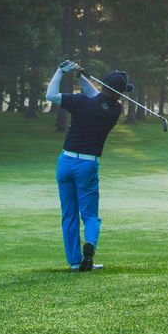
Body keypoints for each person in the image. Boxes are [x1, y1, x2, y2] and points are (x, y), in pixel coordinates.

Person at [45, 59, 131, 271]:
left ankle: (75, 262)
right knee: (90, 215)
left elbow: (51, 95)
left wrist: (60, 71)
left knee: (69, 214)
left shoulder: (80, 102)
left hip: (65, 162)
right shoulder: (114, 110)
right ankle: (90, 246)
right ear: (117, 94)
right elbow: (99, 97)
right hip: (87, 165)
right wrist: (80, 77)